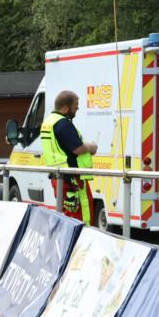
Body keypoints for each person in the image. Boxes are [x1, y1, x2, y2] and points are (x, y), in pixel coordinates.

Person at [40, 90, 98, 225]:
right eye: (75, 106)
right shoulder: (63, 123)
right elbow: (78, 149)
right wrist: (90, 147)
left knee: (67, 216)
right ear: (65, 108)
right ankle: (82, 243)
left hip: (59, 176)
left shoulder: (48, 122)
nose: (77, 109)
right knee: (82, 216)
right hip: (72, 178)